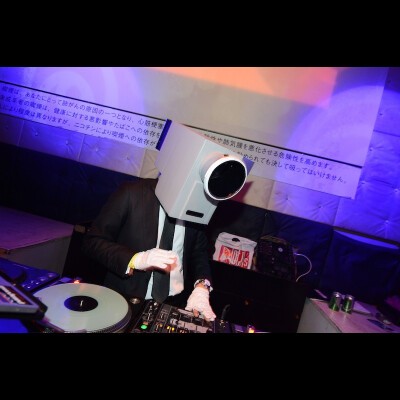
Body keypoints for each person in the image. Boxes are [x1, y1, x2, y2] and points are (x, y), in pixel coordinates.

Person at [82, 178, 216, 321]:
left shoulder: (196, 205)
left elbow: (198, 252)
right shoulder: (131, 193)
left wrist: (202, 286)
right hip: (125, 299)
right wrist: (134, 259)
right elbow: (93, 241)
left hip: (176, 303)